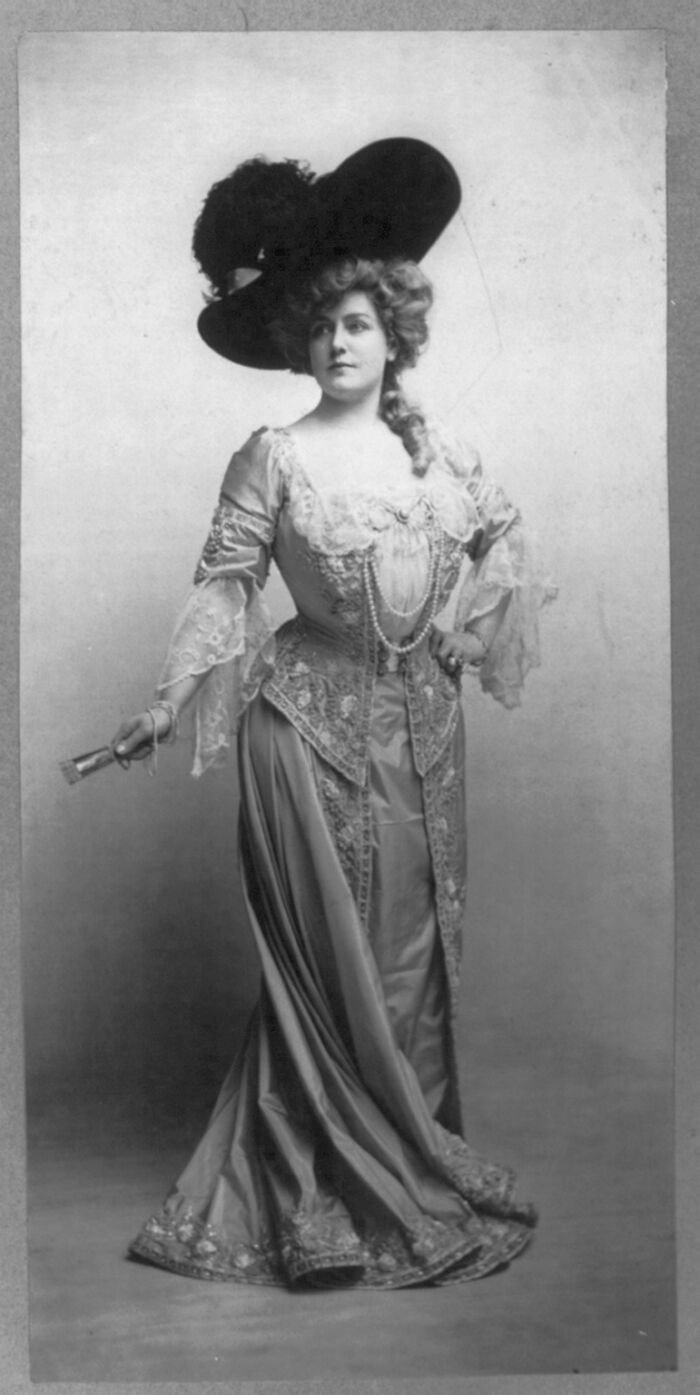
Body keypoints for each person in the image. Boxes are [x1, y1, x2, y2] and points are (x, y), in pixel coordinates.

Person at [113, 139, 555, 1288]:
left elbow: (505, 547)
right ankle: (313, 1191)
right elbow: (225, 587)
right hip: (303, 736)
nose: (339, 343)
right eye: (319, 328)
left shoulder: (440, 454)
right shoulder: (272, 456)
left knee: (408, 958)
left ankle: (408, 1150)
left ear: (394, 327)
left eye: (357, 323)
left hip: (423, 739)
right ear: (297, 343)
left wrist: (465, 633)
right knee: (327, 967)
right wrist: (166, 704)